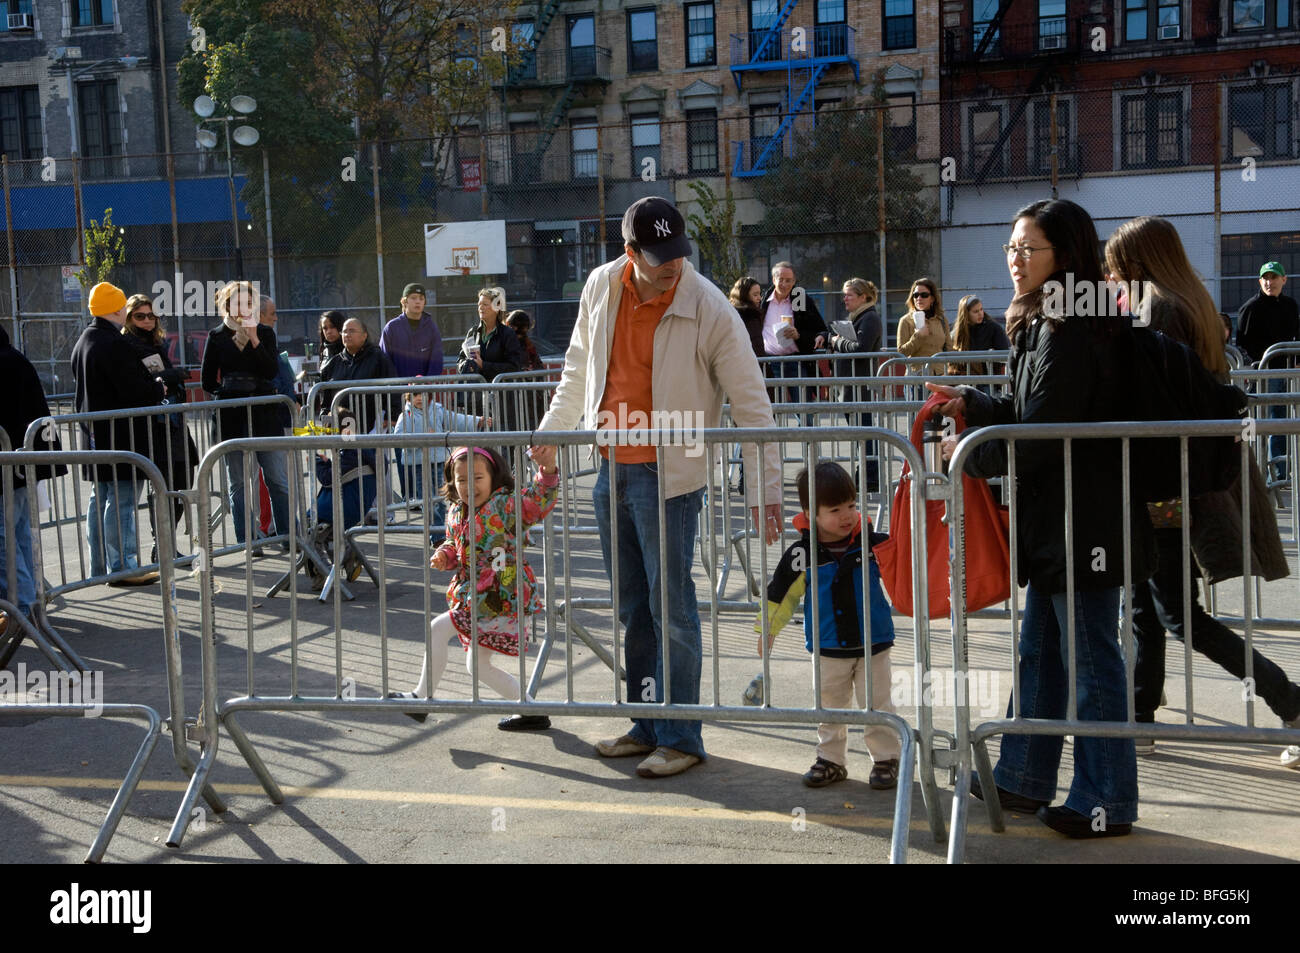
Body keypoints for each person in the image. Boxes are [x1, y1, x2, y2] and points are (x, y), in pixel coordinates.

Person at [531, 195, 784, 779]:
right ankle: (646, 723)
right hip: (610, 464)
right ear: (629, 252)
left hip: (670, 474)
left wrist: (765, 488)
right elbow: (576, 368)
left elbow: (752, 403)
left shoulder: (709, 306)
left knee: (672, 606)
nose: (672, 266)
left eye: (678, 254)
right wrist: (551, 431)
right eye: (659, 257)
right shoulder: (601, 286)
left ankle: (681, 734)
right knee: (633, 607)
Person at [926, 198, 1152, 839]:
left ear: (1066, 257)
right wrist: (973, 402)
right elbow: (1032, 409)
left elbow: (1046, 433)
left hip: (1085, 519)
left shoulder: (1068, 325)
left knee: (1089, 661)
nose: (1015, 260)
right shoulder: (1052, 318)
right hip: (1061, 519)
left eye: (1029, 249)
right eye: (1011, 247)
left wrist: (969, 451)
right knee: (1044, 653)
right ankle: (1023, 778)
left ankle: (1106, 800)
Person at [1105, 216, 1300, 768]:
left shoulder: (1159, 308)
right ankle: (1139, 717)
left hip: (1167, 482)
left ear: (1136, 263)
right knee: (1146, 604)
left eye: (1116, 264)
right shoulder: (1189, 299)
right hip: (1180, 476)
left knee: (1174, 614)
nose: (1111, 273)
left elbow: (1153, 402)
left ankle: (1288, 699)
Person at [388, 446, 559, 730]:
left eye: (477, 478)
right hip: (474, 593)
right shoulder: (456, 509)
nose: (469, 486)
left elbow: (538, 501)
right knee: (476, 666)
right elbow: (454, 543)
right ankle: (531, 710)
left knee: (437, 628)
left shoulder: (506, 504)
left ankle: (421, 698)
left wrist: (548, 469)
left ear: (494, 476)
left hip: (500, 594)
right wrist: (445, 555)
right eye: (462, 479)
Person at [754, 462, 899, 789]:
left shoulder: (872, 544)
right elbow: (780, 593)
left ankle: (888, 759)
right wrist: (768, 628)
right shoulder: (802, 554)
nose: (847, 515)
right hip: (826, 647)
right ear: (811, 512)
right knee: (830, 707)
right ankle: (831, 760)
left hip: (874, 642)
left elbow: (902, 574)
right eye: (835, 509)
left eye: (851, 505)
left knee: (878, 704)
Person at [71, 281, 163, 585]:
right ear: (115, 309)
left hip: (95, 434)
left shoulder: (85, 339)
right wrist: (157, 387)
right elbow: (134, 388)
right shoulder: (113, 343)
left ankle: (100, 567)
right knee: (120, 501)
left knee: (101, 499)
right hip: (121, 434)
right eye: (123, 306)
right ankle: (123, 566)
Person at [200, 280, 294, 547]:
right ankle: (247, 540)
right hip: (231, 415)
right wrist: (228, 391)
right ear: (227, 305)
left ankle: (288, 535)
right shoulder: (217, 335)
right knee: (239, 483)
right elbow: (208, 381)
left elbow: (270, 370)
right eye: (238, 302)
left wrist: (253, 338)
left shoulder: (264, 333)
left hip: (264, 412)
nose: (244, 307)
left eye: (249, 303)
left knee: (277, 478)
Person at [121, 294, 198, 562]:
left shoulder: (158, 343)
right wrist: (167, 376)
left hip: (173, 420)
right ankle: (162, 546)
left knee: (183, 480)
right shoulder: (127, 344)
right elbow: (138, 382)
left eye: (150, 316)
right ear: (129, 318)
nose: (146, 321)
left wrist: (171, 376)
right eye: (139, 316)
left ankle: (166, 543)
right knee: (163, 488)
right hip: (154, 425)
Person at [1, 322, 65, 631]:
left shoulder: (7, 361)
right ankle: (30, 601)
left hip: (9, 464)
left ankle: (21, 606)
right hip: (21, 463)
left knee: (6, 537)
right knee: (19, 532)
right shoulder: (14, 357)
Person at [391, 389, 492, 535]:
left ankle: (441, 529)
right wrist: (423, 438)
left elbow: (456, 419)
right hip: (419, 464)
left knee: (439, 497)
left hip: (437, 461)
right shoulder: (405, 416)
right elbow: (398, 438)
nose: (419, 398)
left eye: (423, 395)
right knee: (427, 498)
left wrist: (477, 421)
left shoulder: (437, 410)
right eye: (415, 395)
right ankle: (436, 532)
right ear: (409, 397)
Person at [1236, 261, 1298, 484]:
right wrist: (1254, 367)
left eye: (1274, 277)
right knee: (1265, 423)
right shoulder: (1251, 307)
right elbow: (1241, 343)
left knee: (1282, 422)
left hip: (1288, 372)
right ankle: (1262, 473)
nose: (1269, 282)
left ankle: (1281, 473)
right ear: (1259, 280)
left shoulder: (1291, 305)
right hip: (1264, 374)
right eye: (1265, 278)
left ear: (1284, 279)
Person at [829, 277, 883, 489]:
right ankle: (865, 475)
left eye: (849, 295)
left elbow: (862, 349)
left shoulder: (869, 318)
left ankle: (870, 477)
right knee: (861, 434)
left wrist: (837, 342)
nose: (845, 299)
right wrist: (829, 337)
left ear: (863, 297)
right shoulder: (858, 317)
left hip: (861, 386)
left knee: (865, 434)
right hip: (851, 385)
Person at [760, 261, 827, 415]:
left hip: (796, 362)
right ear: (773, 279)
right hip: (769, 362)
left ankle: (809, 439)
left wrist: (799, 335)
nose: (784, 283)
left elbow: (819, 329)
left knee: (804, 411)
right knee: (769, 411)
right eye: (780, 279)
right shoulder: (763, 301)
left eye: (788, 280)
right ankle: (772, 439)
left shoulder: (801, 300)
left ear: (794, 281)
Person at [319, 317, 400, 433]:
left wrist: (392, 416)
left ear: (364, 335)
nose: (347, 334)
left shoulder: (378, 358)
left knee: (367, 451)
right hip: (341, 430)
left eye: (352, 331)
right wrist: (326, 418)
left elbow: (394, 387)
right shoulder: (334, 363)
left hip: (372, 426)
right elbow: (325, 399)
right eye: (344, 331)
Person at [379, 282, 444, 379]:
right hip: (398, 390)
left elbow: (437, 360)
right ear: (404, 302)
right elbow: (385, 360)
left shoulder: (431, 328)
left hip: (425, 391)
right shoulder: (391, 328)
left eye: (421, 298)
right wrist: (397, 386)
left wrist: (426, 384)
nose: (418, 301)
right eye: (413, 298)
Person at [896, 277, 950, 374]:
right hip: (916, 378)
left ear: (932, 298)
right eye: (915, 295)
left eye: (924, 295)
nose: (919, 298)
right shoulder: (906, 321)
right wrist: (918, 336)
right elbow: (901, 353)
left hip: (940, 376)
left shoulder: (941, 319)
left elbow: (949, 349)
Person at [948, 294, 1010, 377]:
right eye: (975, 311)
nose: (980, 314)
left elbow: (1003, 354)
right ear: (966, 314)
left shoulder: (993, 328)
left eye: (981, 309)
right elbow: (952, 360)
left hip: (989, 379)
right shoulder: (956, 333)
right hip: (965, 379)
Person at [729, 276, 766, 360]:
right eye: (755, 295)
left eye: (759, 294)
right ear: (744, 296)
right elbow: (757, 347)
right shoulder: (751, 315)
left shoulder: (731, 313)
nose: (759, 298)